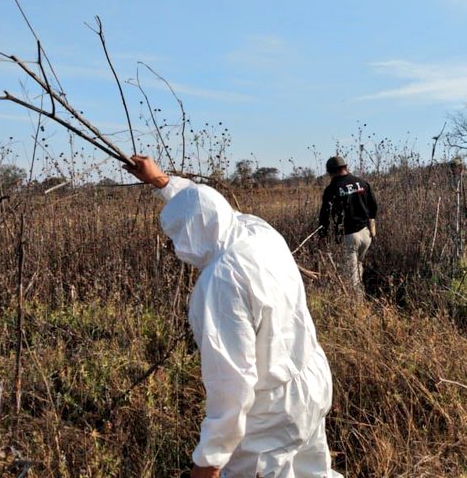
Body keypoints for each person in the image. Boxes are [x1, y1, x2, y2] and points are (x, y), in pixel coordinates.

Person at [125, 155, 341, 478]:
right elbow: (207, 210)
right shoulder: (257, 230)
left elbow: (232, 387)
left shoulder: (221, 282)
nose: (176, 248)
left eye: (177, 240)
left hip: (272, 414)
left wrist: (208, 462)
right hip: (311, 382)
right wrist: (162, 182)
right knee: (315, 471)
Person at [317, 156, 377, 297]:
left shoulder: (332, 189)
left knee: (352, 279)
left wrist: (322, 236)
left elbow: (325, 216)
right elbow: (373, 206)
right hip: (366, 234)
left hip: (349, 237)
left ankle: (359, 309)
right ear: (345, 167)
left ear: (330, 171)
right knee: (358, 267)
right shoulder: (362, 183)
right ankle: (360, 299)